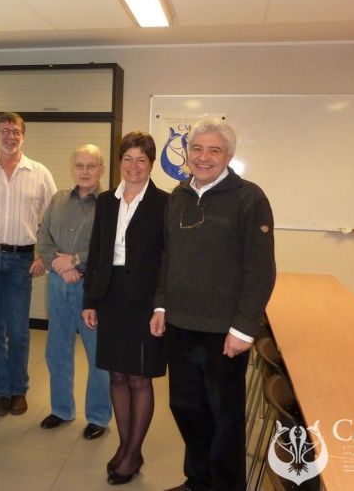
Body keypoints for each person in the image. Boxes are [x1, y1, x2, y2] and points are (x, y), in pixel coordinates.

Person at [151, 116, 276, 491]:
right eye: (197, 149)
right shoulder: (178, 196)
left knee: (224, 417)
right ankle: (198, 480)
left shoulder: (249, 198)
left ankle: (225, 486)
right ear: (187, 153)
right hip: (180, 325)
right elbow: (168, 257)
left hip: (224, 332)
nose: (203, 157)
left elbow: (261, 269)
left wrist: (244, 327)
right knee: (186, 408)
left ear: (228, 156)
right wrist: (161, 305)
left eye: (214, 150)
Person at [82, 131, 167, 485]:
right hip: (111, 298)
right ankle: (125, 445)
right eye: (128, 159)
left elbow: (168, 260)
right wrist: (90, 300)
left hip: (145, 303)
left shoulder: (164, 203)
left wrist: (161, 307)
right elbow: (97, 251)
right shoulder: (106, 201)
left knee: (139, 377)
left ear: (151, 164)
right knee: (116, 375)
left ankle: (133, 452)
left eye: (141, 160)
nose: (133, 166)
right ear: (119, 163)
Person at [0, 112, 56, 417]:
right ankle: (1, 391)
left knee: (18, 330)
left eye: (15, 131)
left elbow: (54, 218)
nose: (10, 136)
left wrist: (45, 256)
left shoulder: (39, 173)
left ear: (23, 135)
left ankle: (19, 389)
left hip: (22, 259)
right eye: (4, 131)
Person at [36, 144, 111, 440]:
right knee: (57, 351)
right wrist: (58, 263)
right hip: (58, 284)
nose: (85, 171)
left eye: (91, 166)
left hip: (91, 289)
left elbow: (109, 249)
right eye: (80, 165)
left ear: (102, 169)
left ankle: (98, 416)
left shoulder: (109, 204)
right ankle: (62, 409)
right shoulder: (58, 199)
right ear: (73, 168)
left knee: (97, 356)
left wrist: (76, 261)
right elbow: (43, 234)